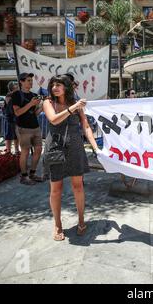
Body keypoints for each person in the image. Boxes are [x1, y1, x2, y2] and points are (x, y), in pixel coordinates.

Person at [42, 75, 100, 241]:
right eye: (52, 84)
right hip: (55, 148)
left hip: (75, 148)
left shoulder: (76, 105)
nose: (55, 87)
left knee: (78, 186)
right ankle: (58, 224)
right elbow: (53, 120)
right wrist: (73, 107)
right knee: (56, 189)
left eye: (58, 84)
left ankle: (81, 220)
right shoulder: (48, 102)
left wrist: (95, 147)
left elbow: (86, 126)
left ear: (66, 87)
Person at [12, 72, 44, 185]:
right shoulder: (16, 95)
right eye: (28, 80)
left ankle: (32, 173)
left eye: (31, 80)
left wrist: (42, 107)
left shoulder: (33, 95)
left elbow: (34, 113)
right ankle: (24, 176)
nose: (30, 82)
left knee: (39, 149)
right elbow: (17, 113)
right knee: (25, 152)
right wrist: (31, 104)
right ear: (21, 82)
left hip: (35, 127)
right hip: (23, 128)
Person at [3, 81, 20, 154]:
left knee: (16, 135)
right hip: (10, 117)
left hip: (16, 117)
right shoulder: (9, 95)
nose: (18, 86)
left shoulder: (18, 95)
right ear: (12, 87)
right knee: (9, 134)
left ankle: (16, 150)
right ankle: (8, 150)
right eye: (16, 85)